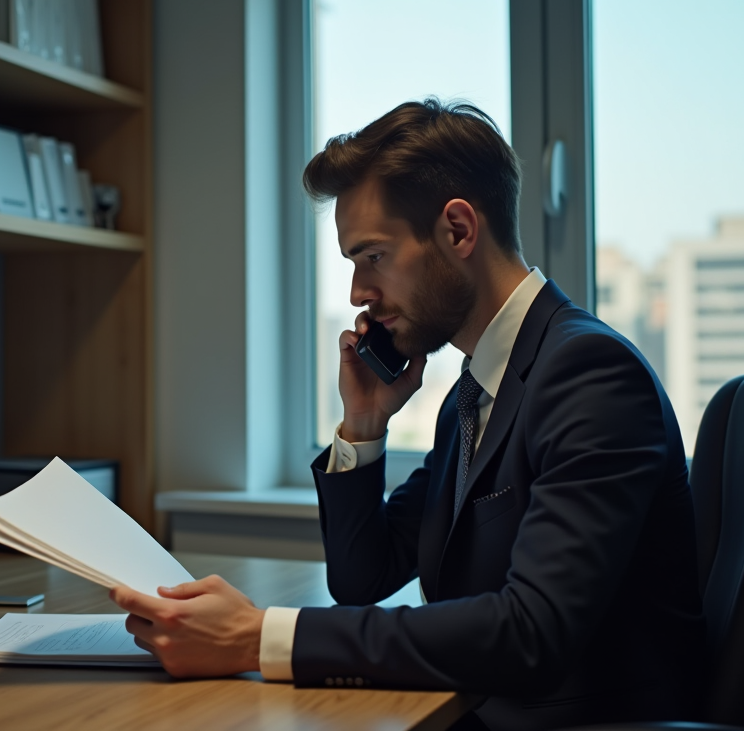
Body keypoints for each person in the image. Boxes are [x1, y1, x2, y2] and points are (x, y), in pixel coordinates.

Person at [112, 99, 705, 730]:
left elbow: (532, 632)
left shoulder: (588, 374)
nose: (357, 294)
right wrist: (364, 426)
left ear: (457, 231)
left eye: (373, 257)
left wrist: (260, 637)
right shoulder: (473, 395)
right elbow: (364, 576)